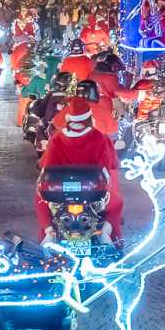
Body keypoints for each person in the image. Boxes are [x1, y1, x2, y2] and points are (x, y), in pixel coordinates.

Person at [36, 98, 124, 242]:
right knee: (116, 202)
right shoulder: (100, 137)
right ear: (89, 117)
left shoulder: (57, 137)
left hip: (61, 191)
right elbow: (107, 167)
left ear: (68, 119)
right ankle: (106, 232)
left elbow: (47, 165)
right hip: (91, 191)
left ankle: (49, 232)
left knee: (40, 199)